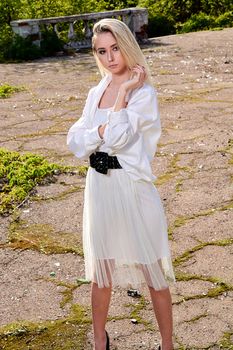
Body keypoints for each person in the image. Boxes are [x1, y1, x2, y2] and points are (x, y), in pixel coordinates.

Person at [67, 18, 175, 350]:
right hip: (99, 186)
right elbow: (74, 141)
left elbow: (118, 137)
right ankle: (100, 340)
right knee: (101, 271)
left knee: (153, 272)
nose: (111, 58)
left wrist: (124, 93)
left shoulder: (143, 93)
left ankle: (167, 344)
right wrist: (98, 132)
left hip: (132, 186)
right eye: (102, 51)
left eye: (115, 48)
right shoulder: (94, 92)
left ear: (126, 46)